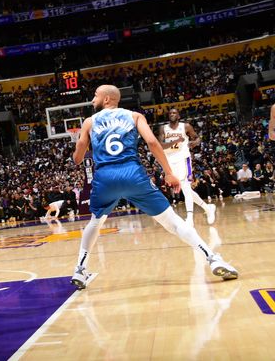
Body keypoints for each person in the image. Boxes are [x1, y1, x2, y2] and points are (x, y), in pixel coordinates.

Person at [69, 85, 237, 290]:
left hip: (105, 177)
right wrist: (168, 172)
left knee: (95, 222)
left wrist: (78, 151)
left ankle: (80, 268)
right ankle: (213, 259)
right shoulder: (135, 116)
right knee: (173, 222)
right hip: (132, 173)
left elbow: (78, 157)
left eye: (95, 95)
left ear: (106, 99)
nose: (92, 99)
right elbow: (152, 142)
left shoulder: (89, 122)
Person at [158, 108, 216, 226]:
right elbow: (161, 145)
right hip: (170, 160)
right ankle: (207, 208)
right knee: (185, 189)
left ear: (179, 116)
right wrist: (177, 141)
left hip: (184, 158)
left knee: (185, 186)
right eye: (170, 113)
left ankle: (189, 217)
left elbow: (197, 138)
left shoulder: (186, 126)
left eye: (174, 113)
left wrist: (195, 142)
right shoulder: (163, 128)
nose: (172, 114)